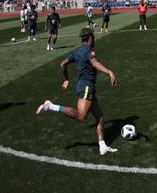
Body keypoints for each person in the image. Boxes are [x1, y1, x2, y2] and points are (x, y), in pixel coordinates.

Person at [35, 27, 118, 156]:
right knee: (81, 116)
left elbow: (63, 64)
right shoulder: (89, 50)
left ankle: (102, 146)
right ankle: (50, 106)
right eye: (93, 37)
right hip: (86, 86)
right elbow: (94, 62)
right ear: (90, 37)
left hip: (85, 86)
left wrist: (66, 79)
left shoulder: (77, 51)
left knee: (100, 117)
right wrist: (109, 72)